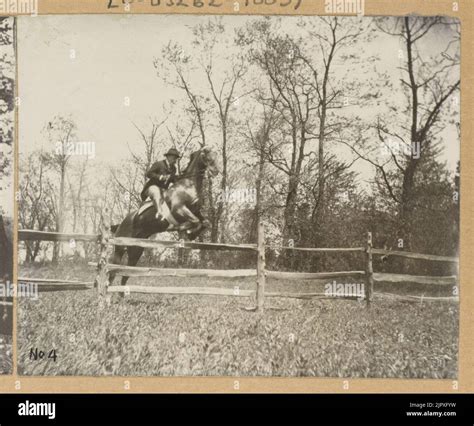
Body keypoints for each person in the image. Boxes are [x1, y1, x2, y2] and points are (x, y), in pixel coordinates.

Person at [140, 148, 181, 218]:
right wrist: (160, 177)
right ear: (168, 157)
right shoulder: (159, 164)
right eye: (174, 158)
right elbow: (149, 173)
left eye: (176, 159)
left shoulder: (174, 168)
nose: (175, 160)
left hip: (163, 190)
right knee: (156, 191)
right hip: (151, 187)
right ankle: (159, 212)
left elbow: (172, 179)